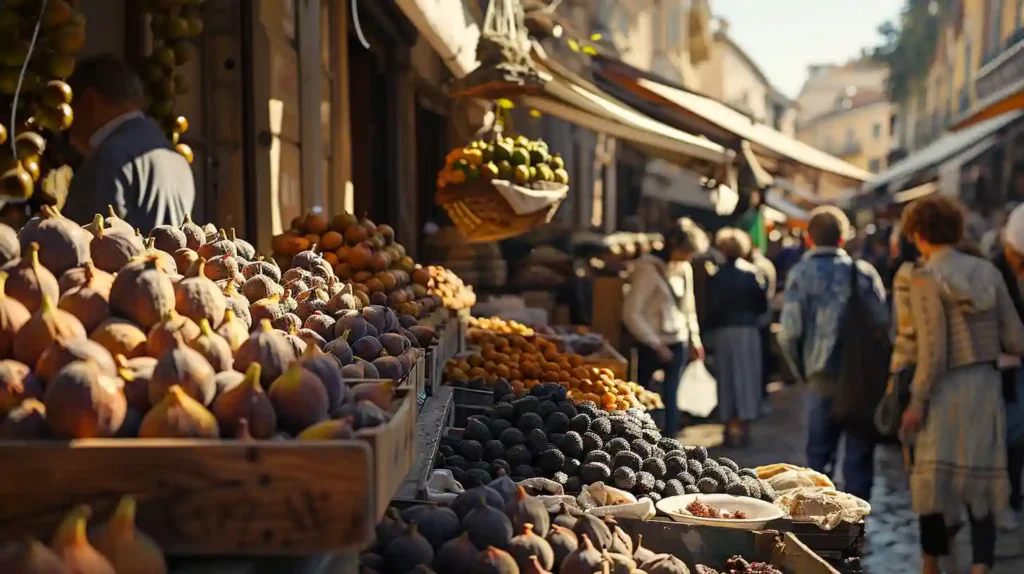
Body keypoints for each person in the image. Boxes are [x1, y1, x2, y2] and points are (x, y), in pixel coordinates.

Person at [895, 196, 1024, 574]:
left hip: (941, 390)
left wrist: (916, 401)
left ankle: (931, 565)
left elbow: (932, 350)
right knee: (981, 486)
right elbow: (1016, 338)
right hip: (984, 388)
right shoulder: (988, 272)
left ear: (918, 235)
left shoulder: (921, 277)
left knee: (933, 486)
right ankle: (981, 567)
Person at [778, 206, 887, 502]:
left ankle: (820, 528)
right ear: (843, 239)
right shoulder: (863, 272)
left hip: (821, 378)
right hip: (861, 379)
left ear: (810, 238)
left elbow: (788, 331)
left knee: (817, 463)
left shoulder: (801, 273)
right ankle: (856, 526)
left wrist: (804, 371)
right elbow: (884, 326)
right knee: (858, 460)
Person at [62, 54, 195, 230]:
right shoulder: (176, 158)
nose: (66, 126)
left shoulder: (107, 159)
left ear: (89, 100)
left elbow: (81, 245)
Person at [623, 219, 704, 436]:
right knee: (643, 401)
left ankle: (671, 443)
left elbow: (689, 306)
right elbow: (631, 312)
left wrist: (694, 338)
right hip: (651, 344)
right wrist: (654, 343)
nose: (689, 257)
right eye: (686, 251)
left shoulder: (684, 268)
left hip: (677, 339)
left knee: (672, 401)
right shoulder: (646, 269)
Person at [705, 229, 767, 446]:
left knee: (726, 379)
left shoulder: (717, 276)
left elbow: (711, 307)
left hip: (724, 332)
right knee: (747, 379)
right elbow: (762, 305)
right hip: (747, 331)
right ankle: (745, 427)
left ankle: (728, 427)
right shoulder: (752, 273)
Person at [994, 204, 1024, 531]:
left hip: (1014, 369)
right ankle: (1010, 495)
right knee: (1010, 437)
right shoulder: (995, 272)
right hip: (1003, 371)